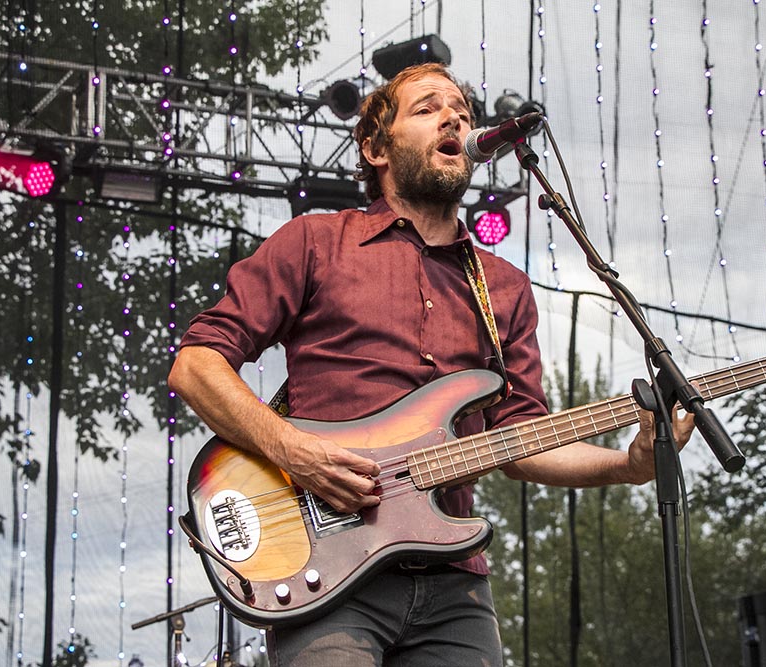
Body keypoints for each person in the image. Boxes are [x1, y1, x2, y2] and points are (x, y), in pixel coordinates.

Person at [168, 62, 695, 667]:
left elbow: (520, 443)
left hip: (454, 579)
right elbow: (197, 365)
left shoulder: (505, 290)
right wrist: (294, 451)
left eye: (464, 113)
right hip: (328, 567)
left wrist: (629, 465)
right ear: (375, 148)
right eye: (427, 108)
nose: (454, 118)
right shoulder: (315, 242)